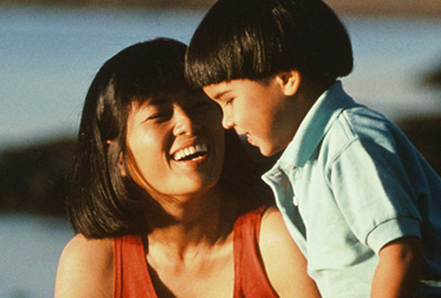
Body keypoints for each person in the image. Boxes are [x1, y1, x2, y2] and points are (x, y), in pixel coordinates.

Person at [184, 0, 441, 297]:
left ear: (286, 79)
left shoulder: (350, 142)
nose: (226, 121)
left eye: (229, 100)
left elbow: (400, 253)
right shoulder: (310, 159)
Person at [54, 38, 320, 298]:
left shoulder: (272, 240)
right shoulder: (94, 262)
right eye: (159, 115)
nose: (188, 124)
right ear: (117, 155)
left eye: (199, 105)